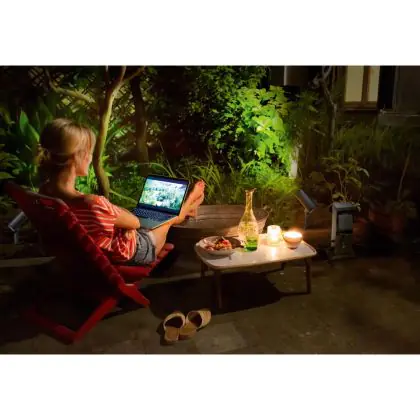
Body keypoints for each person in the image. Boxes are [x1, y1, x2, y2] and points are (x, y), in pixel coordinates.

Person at [37, 118, 205, 265]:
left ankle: (185, 209)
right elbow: (136, 223)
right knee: (167, 220)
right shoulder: (92, 203)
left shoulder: (45, 192)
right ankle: (187, 206)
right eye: (89, 152)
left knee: (154, 218)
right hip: (134, 250)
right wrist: (114, 209)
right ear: (77, 156)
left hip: (87, 252)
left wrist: (112, 211)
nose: (90, 157)